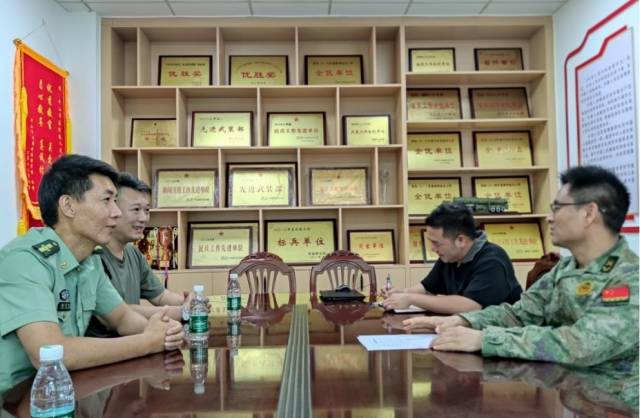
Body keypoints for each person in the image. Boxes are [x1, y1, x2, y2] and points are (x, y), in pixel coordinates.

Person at [404, 165, 639, 369]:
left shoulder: (629, 278)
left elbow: (581, 345)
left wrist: (485, 339)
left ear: (589, 213)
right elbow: (520, 314)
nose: (549, 218)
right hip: (565, 392)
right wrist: (463, 321)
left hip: (611, 400)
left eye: (557, 208)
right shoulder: (565, 268)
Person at [0, 154, 184, 392]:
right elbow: (49, 352)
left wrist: (163, 332)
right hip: (15, 399)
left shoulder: (90, 261)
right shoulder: (26, 261)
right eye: (107, 200)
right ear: (68, 206)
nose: (117, 212)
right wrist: (147, 342)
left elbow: (123, 318)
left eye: (116, 201)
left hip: (65, 391)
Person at [86, 173, 202, 338]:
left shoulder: (133, 252)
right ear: (112, 209)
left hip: (136, 341)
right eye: (136, 210)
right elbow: (119, 311)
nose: (143, 218)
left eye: (146, 210)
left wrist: (193, 302)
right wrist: (182, 311)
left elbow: (160, 295)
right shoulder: (93, 256)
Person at [383, 203, 522, 313]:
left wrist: (411, 298)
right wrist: (401, 293)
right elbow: (427, 288)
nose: (432, 249)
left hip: (500, 333)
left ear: (460, 240)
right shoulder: (451, 256)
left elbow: (470, 306)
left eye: (436, 243)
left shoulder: (492, 260)